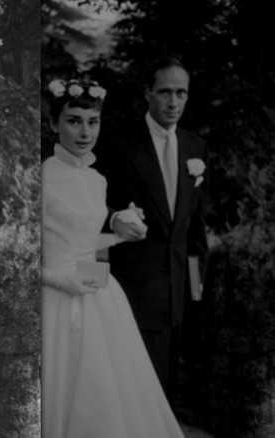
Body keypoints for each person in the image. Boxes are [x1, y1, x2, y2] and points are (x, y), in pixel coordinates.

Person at [41, 78, 185, 437]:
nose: (85, 131)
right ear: (54, 123)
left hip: (99, 293)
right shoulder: (41, 176)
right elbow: (31, 251)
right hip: (55, 294)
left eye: (93, 121)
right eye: (74, 120)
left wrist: (119, 233)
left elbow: (86, 243)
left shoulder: (96, 179)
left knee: (106, 388)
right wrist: (59, 279)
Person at [94, 56, 209, 402]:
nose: (173, 102)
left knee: (165, 396)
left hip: (178, 294)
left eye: (181, 93)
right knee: (134, 397)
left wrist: (196, 289)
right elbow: (87, 209)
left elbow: (194, 230)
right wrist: (116, 218)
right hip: (131, 289)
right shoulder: (116, 143)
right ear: (147, 93)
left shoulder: (195, 147)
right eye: (164, 92)